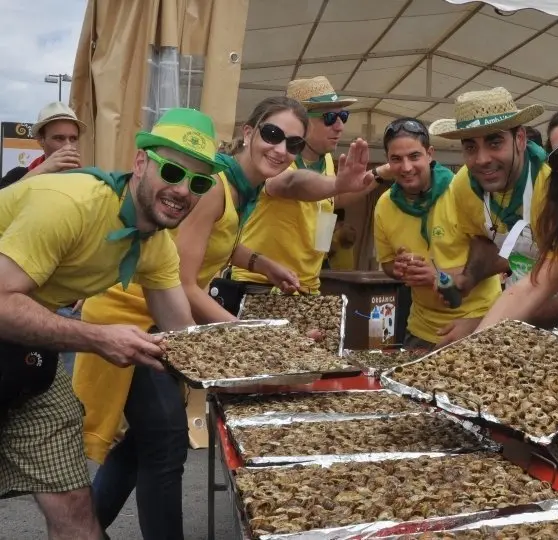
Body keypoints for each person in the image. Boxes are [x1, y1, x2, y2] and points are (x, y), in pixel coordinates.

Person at [71, 99, 372, 540]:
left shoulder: (242, 189)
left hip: (162, 322)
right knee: (167, 444)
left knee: (141, 445)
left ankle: (78, 530)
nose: (280, 149)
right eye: (271, 135)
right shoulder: (214, 186)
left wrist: (260, 261)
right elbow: (187, 284)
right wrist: (253, 337)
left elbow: (213, 242)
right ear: (248, 132)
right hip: (132, 317)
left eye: (292, 143)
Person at [0, 107, 215, 540]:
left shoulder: (155, 243)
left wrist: (279, 357)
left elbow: (185, 337)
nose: (181, 189)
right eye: (171, 170)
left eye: (198, 182)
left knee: (77, 511)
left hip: (27, 352)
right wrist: (95, 338)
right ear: (140, 163)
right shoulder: (70, 204)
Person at [426, 87, 558, 345]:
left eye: (494, 142)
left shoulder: (556, 185)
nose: (482, 159)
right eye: (470, 147)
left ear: (519, 139)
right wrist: (469, 277)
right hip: (518, 299)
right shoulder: (465, 184)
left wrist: (483, 328)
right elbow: (482, 236)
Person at [231, 76, 381, 293]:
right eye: (329, 117)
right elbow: (290, 183)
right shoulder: (275, 160)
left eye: (343, 116)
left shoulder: (327, 160)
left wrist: (381, 174)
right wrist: (339, 183)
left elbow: (332, 196)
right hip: (260, 285)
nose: (339, 126)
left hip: (308, 286)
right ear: (301, 122)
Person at [373, 118, 502, 350]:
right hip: (421, 330)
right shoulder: (385, 205)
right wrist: (401, 269)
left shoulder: (461, 192)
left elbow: (501, 259)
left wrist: (437, 275)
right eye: (396, 159)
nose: (406, 167)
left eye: (414, 156)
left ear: (429, 154)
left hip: (476, 324)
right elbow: (387, 264)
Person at [0, 102, 84, 189]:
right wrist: (40, 170)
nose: (68, 146)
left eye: (73, 139)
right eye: (59, 138)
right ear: (40, 140)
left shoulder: (87, 178)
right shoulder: (17, 175)